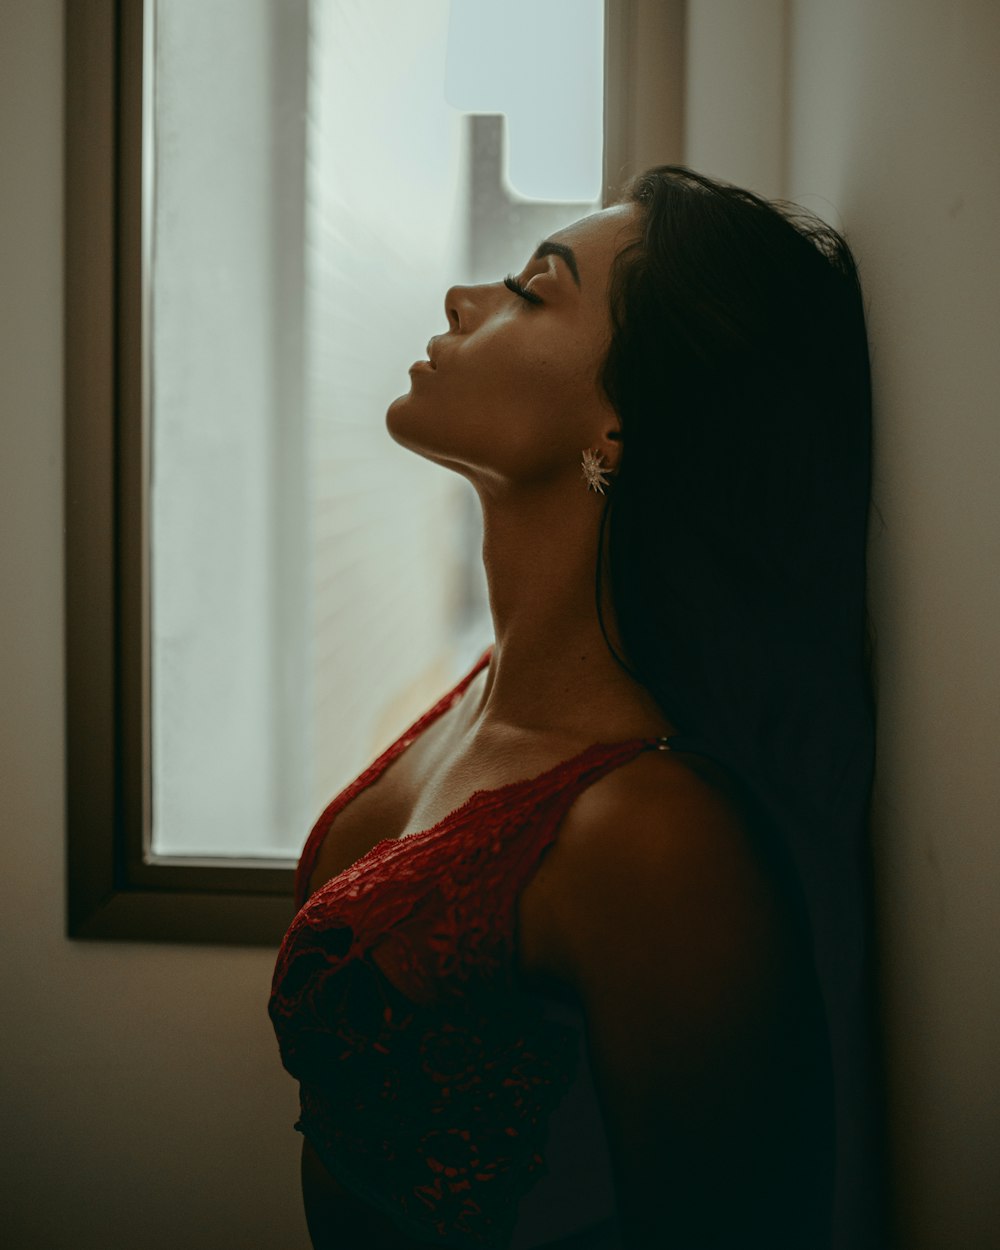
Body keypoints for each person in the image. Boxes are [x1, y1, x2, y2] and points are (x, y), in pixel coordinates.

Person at [269, 165, 880, 1250]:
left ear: (620, 431)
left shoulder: (656, 835)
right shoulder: (472, 701)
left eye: (528, 290)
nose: (463, 300)